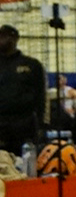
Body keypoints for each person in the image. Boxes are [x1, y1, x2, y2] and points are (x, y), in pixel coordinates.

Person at [0, 25, 44, 155]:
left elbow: (41, 96)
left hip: (24, 124)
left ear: (15, 38)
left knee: (25, 163)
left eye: (5, 36)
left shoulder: (31, 65)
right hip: (1, 122)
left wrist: (42, 124)